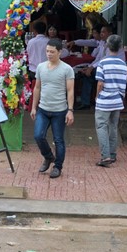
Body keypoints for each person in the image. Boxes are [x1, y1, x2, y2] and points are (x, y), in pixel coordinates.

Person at [30, 38, 75, 179]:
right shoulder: (41, 67)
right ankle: (48, 156)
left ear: (60, 52)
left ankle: (58, 166)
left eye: (52, 52)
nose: (49, 54)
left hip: (59, 111)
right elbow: (37, 88)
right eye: (47, 51)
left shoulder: (67, 69)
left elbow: (70, 91)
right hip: (43, 109)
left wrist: (70, 110)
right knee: (38, 135)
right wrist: (33, 107)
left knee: (59, 140)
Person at [94, 35, 127, 167]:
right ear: (120, 47)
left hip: (105, 99)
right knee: (113, 127)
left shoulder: (103, 62)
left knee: (101, 126)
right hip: (117, 99)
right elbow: (123, 84)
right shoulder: (123, 64)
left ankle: (105, 156)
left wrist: (97, 96)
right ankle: (113, 154)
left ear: (107, 46)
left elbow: (100, 83)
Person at [73, 25, 125, 110]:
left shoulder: (113, 43)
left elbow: (106, 59)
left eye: (104, 32)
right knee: (86, 74)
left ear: (110, 33)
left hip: (113, 68)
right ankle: (86, 101)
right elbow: (98, 58)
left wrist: (91, 68)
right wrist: (89, 67)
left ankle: (90, 100)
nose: (101, 34)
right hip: (104, 67)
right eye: (101, 32)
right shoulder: (102, 43)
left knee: (89, 74)